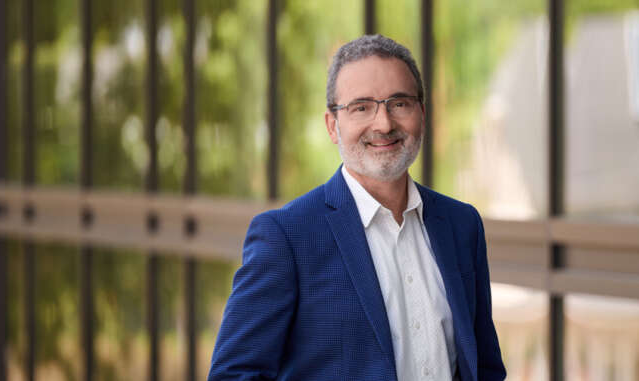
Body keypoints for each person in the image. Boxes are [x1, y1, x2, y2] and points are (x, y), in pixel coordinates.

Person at [208, 34, 506, 381]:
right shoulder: (287, 237)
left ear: (422, 114)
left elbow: (484, 367)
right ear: (333, 126)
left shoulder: (461, 225)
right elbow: (234, 374)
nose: (383, 123)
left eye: (399, 103)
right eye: (361, 107)